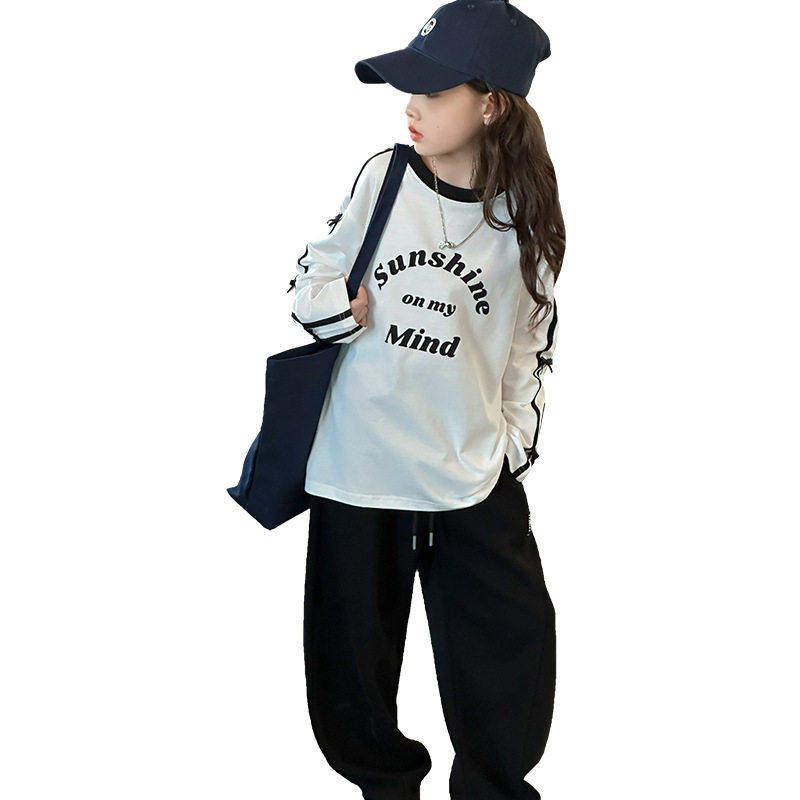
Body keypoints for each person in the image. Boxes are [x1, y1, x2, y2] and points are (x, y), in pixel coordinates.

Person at [288, 2, 564, 798]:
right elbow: (311, 274)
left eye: (434, 91)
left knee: (510, 642)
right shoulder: (384, 177)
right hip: (360, 464)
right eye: (408, 88)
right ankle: (384, 787)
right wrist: (338, 308)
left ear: (491, 105)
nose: (411, 106)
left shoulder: (526, 216)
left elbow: (529, 341)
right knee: (352, 658)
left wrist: (514, 443)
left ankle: (492, 790)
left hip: (468, 468)